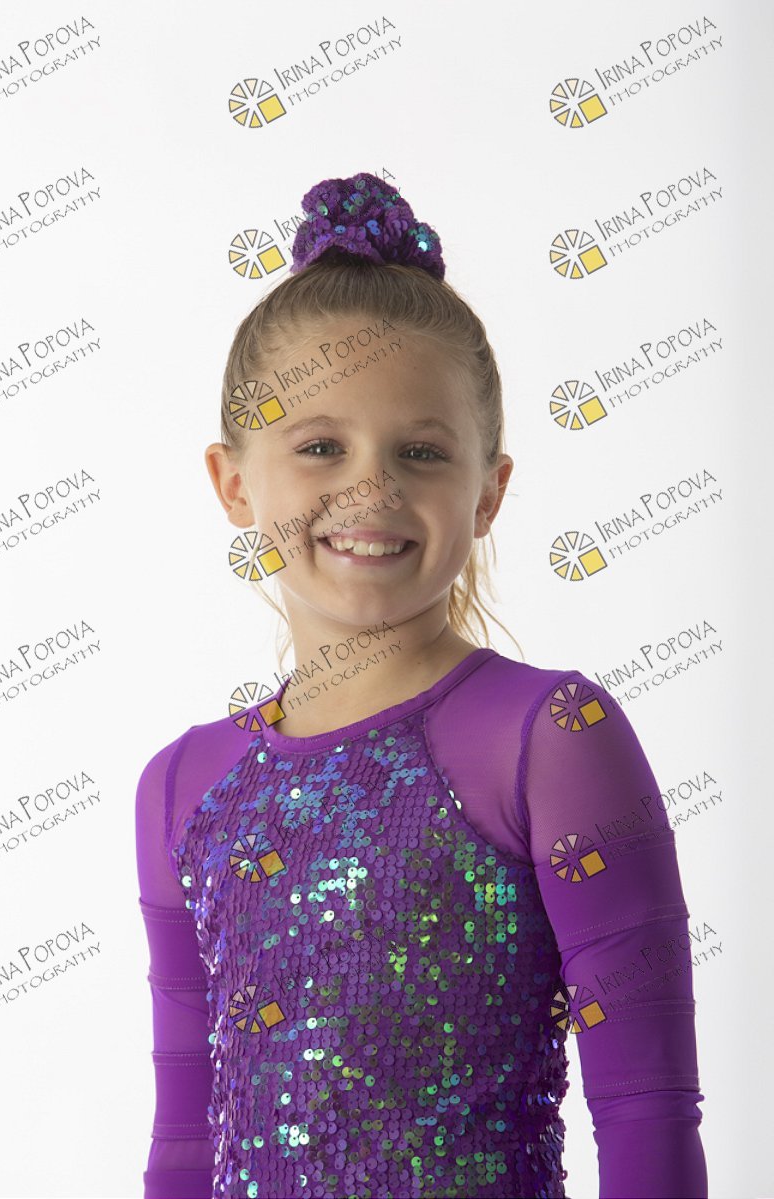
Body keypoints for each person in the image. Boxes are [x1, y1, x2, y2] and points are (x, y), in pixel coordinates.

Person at [135, 172, 708, 1199]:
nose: (371, 487)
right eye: (320, 446)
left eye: (420, 451)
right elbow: (184, 1134)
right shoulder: (183, 784)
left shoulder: (549, 735)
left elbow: (646, 1112)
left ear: (488, 491)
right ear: (233, 482)